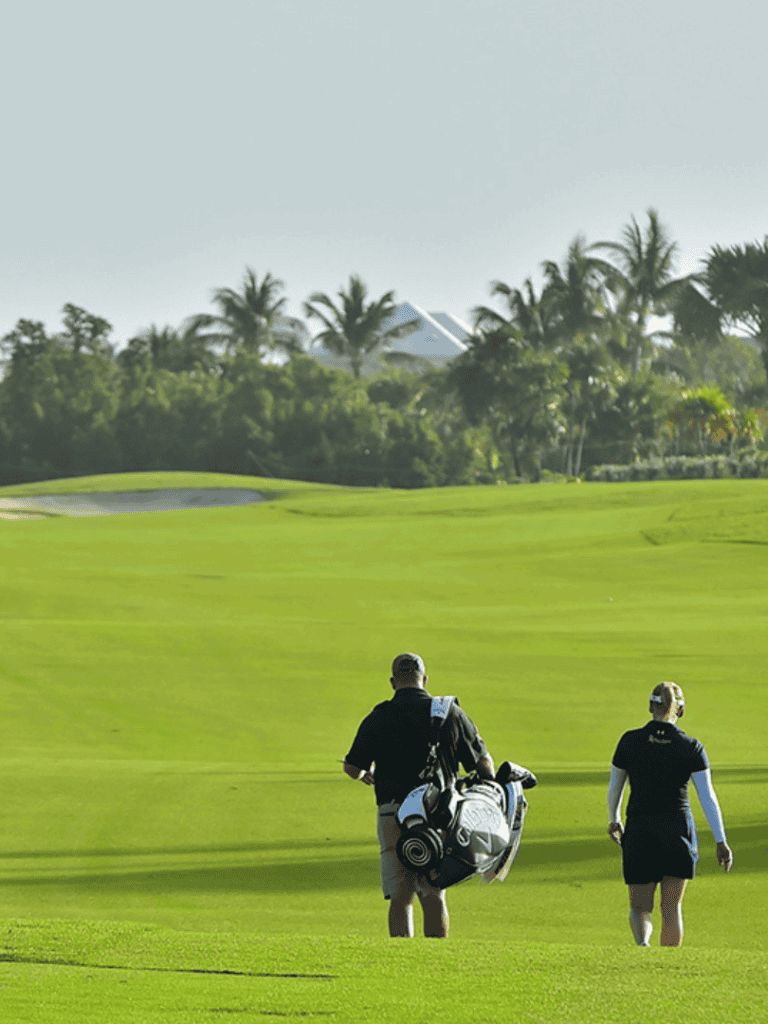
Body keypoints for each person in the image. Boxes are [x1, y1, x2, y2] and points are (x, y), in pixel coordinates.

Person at [343, 652, 495, 938]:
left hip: (392, 812)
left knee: (401, 896)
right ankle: (435, 960)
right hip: (440, 814)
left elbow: (352, 766)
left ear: (392, 682)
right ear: (424, 680)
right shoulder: (449, 711)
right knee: (434, 892)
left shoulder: (380, 715)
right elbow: (482, 762)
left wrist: (366, 776)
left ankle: (403, 962)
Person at [607, 682, 733, 947]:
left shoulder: (630, 741)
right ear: (681, 710)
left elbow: (615, 786)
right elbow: (707, 796)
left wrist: (614, 818)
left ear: (651, 706)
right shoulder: (691, 747)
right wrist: (720, 840)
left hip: (640, 829)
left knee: (640, 907)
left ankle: (643, 947)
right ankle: (668, 963)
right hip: (677, 831)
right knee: (671, 908)